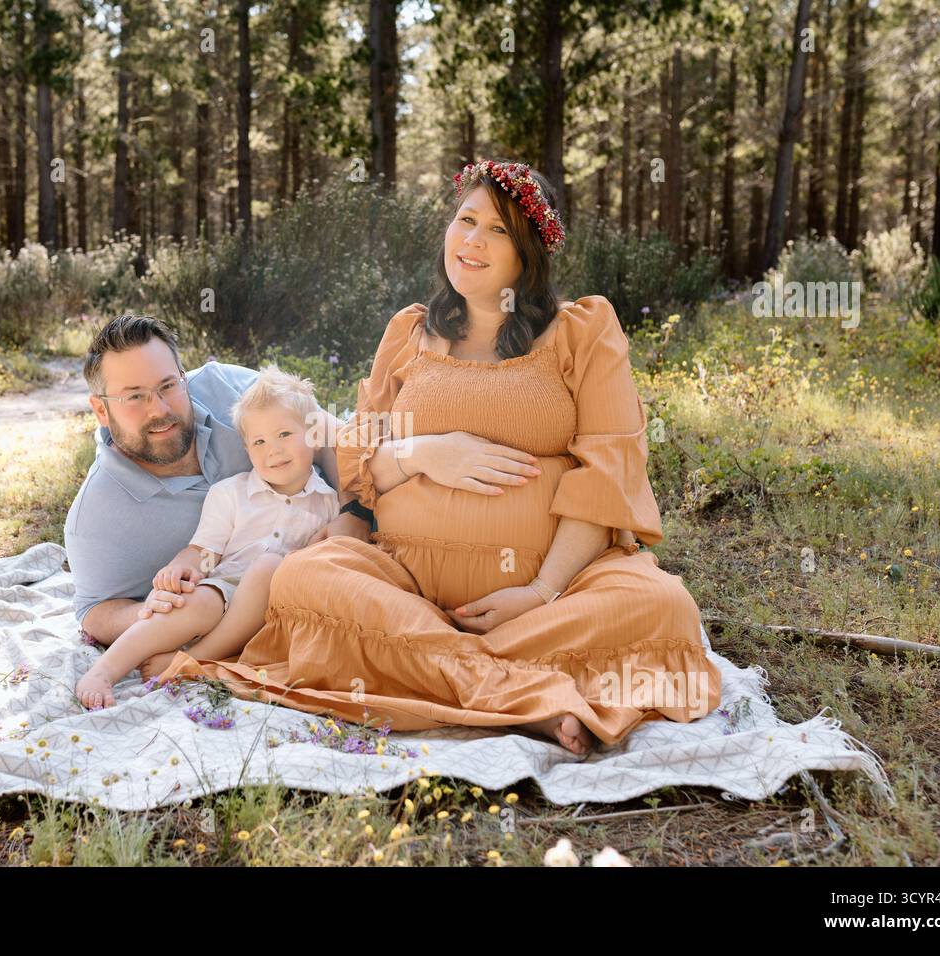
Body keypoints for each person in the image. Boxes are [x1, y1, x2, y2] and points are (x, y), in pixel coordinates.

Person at [148, 159, 722, 759]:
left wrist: (544, 591)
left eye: (497, 230)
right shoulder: (408, 334)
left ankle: (453, 675)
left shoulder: (584, 333)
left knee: (662, 606)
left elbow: (609, 472)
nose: (471, 241)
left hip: (554, 590)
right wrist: (424, 454)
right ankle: (523, 694)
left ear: (529, 250)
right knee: (303, 578)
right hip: (409, 585)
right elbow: (359, 465)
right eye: (465, 219)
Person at [63, 314, 368, 654]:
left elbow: (323, 427)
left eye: (167, 386)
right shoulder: (94, 518)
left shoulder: (230, 387)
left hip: (339, 544)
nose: (159, 409)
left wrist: (352, 507)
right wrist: (155, 613)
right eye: (134, 397)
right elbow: (93, 612)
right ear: (101, 410)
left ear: (183, 377)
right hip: (259, 603)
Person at [74, 366, 340, 709]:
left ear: (314, 436)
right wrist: (181, 568)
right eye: (259, 441)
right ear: (247, 448)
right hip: (227, 591)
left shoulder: (330, 502)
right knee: (194, 601)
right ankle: (104, 670)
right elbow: (203, 550)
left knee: (270, 567)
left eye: (285, 434)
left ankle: (194, 660)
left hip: (288, 608)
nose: (273, 450)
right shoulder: (230, 493)